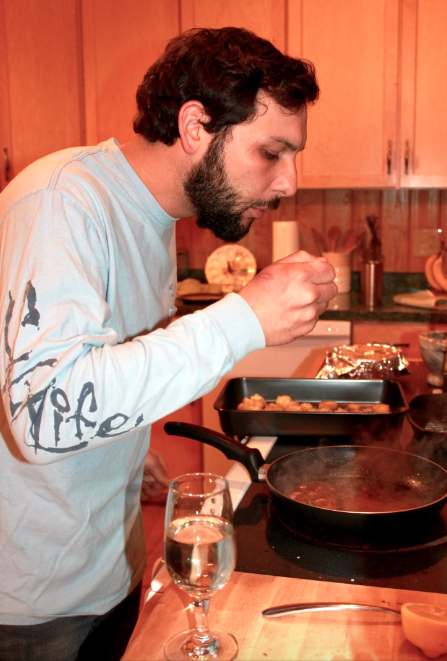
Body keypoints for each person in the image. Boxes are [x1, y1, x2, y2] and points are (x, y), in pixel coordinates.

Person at [0, 26, 337, 661]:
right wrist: (244, 318)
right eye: (272, 152)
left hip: (112, 569)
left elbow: (100, 368)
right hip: (32, 607)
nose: (289, 181)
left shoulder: (153, 216)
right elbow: (44, 415)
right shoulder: (61, 201)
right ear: (194, 127)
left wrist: (125, 450)